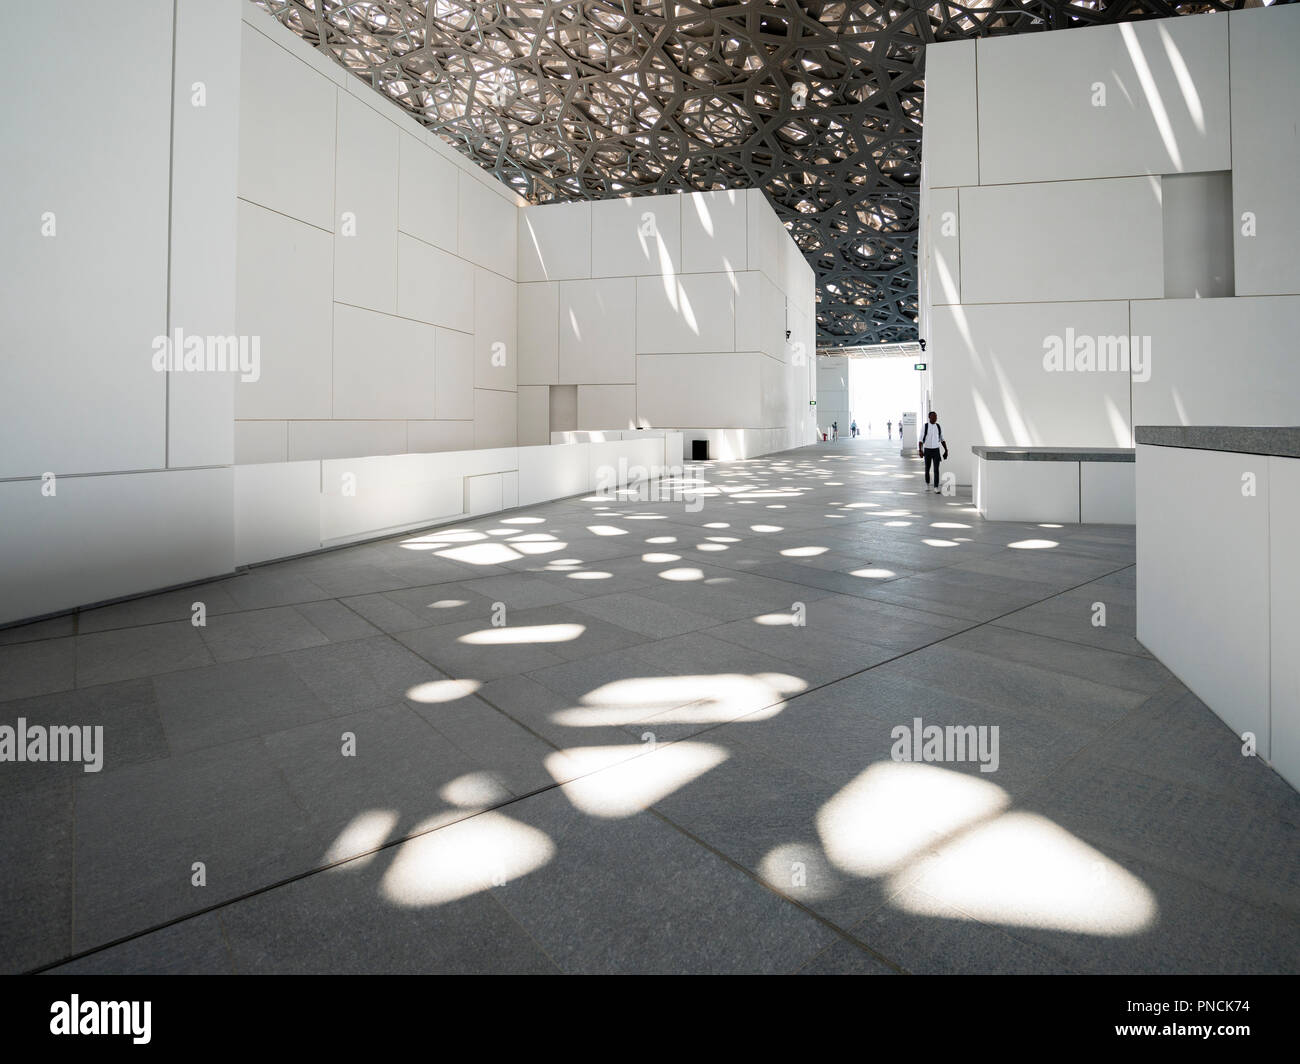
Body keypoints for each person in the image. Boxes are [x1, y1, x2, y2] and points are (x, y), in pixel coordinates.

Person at [918, 410, 949, 494]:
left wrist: (946, 450)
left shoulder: (938, 426)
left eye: (936, 416)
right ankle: (927, 484)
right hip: (927, 450)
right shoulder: (925, 426)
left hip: (936, 450)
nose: (935, 418)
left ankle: (936, 487)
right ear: (929, 417)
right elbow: (921, 439)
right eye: (933, 416)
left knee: (936, 469)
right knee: (927, 469)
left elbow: (942, 439)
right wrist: (920, 450)